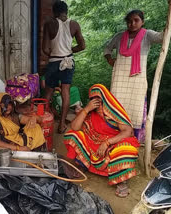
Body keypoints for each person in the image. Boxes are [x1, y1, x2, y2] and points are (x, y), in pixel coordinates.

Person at [63, 84, 140, 198]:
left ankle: (121, 180)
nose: (96, 103)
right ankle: (83, 165)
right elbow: (74, 127)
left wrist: (107, 143)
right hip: (94, 144)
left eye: (98, 99)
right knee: (73, 135)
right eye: (93, 99)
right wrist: (87, 109)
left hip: (113, 144)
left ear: (105, 98)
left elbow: (127, 131)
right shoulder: (90, 113)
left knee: (126, 149)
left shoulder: (113, 112)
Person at [104, 10, 163, 143]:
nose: (132, 23)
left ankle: (133, 141)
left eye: (136, 20)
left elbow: (162, 37)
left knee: (135, 108)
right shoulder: (119, 37)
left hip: (137, 80)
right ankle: (115, 138)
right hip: (119, 79)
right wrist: (109, 59)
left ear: (143, 22)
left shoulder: (147, 35)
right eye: (129, 21)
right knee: (116, 106)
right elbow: (107, 49)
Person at [42, 1, 85, 134]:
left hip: (55, 62)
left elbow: (45, 49)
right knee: (65, 92)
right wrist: (68, 50)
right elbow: (82, 46)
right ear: (66, 11)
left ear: (54, 12)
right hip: (69, 61)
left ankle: (43, 122)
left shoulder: (50, 24)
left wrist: (54, 54)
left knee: (48, 93)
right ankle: (61, 125)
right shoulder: (74, 24)